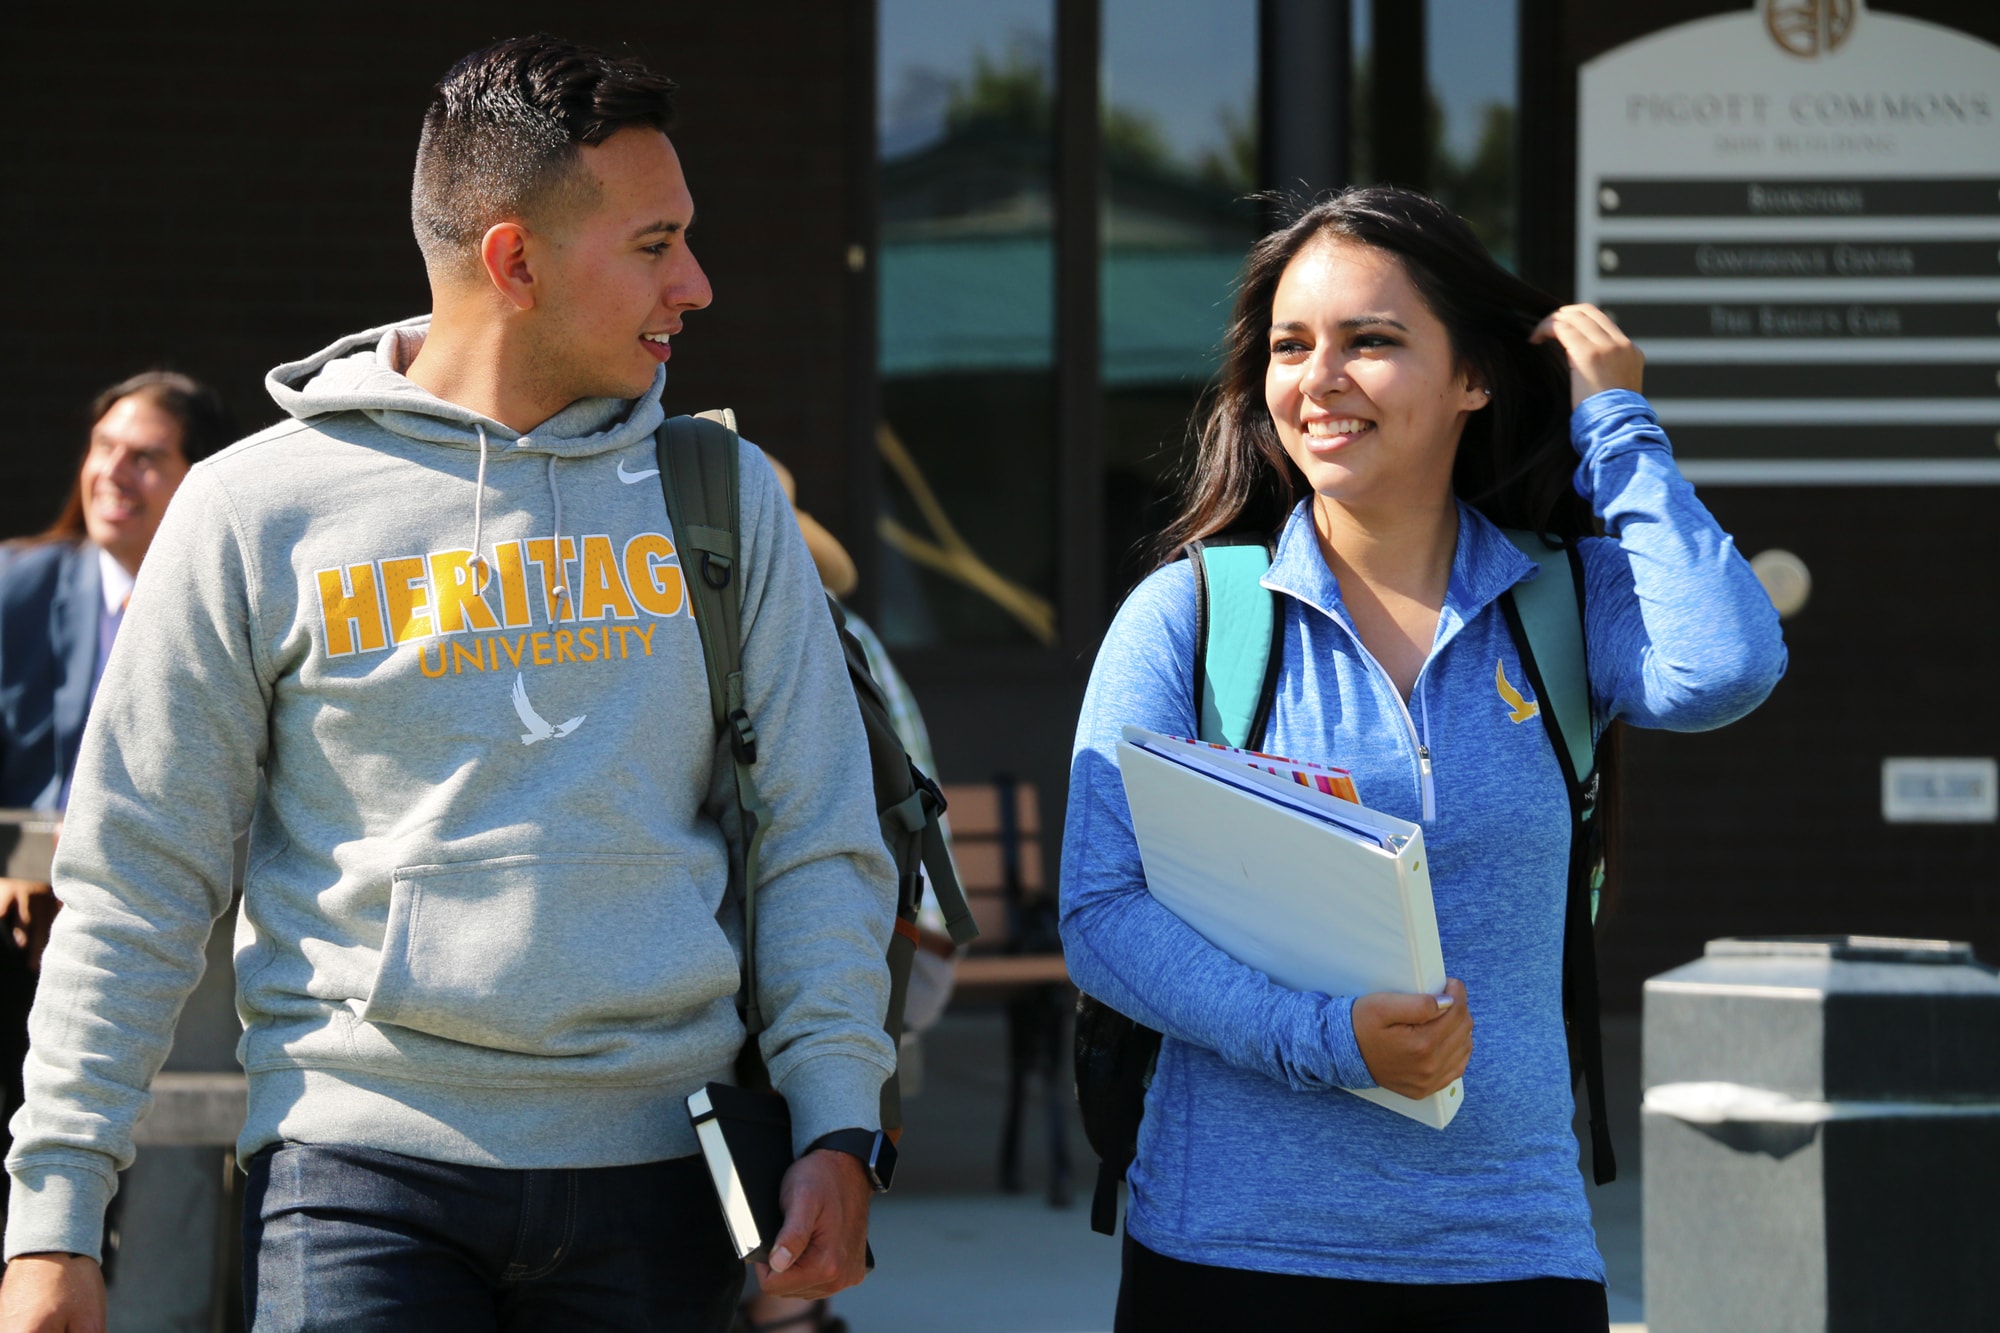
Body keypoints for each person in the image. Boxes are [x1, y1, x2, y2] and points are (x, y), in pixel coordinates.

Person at [2, 36, 897, 1332]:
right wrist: (56, 1213)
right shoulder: (255, 510)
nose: (696, 284)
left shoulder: (726, 499)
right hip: (354, 1180)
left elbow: (819, 837)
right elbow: (134, 877)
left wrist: (838, 1122)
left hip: (663, 1180)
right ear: (514, 261)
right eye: (655, 244)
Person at [1060, 187, 1786, 1330]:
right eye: (1290, 346)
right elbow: (1101, 914)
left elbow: (1722, 666)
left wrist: (1616, 426)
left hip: (1510, 1248)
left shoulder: (1562, 602)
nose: (1319, 378)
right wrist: (1324, 1041)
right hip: (1230, 1249)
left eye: (1372, 341)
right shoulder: (1191, 613)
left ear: (1474, 378)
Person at [0, 372, 234, 1120]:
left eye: (145, 457)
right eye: (104, 447)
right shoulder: (15, 586)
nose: (112, 472)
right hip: (17, 929)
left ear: (196, 478)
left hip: (179, 943)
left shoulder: (231, 609)